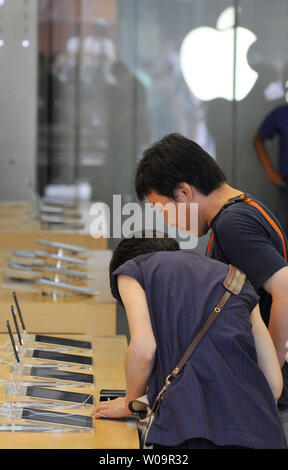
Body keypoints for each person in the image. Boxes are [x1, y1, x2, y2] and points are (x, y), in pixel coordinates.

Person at [133, 132, 288, 436]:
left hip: (267, 401)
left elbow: (285, 289)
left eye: (162, 208)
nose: (169, 221)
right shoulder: (244, 208)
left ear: (184, 192)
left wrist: (268, 379)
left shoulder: (233, 224)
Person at [92, 233, 286, 449]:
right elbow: (274, 386)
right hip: (263, 432)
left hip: (191, 432)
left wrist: (130, 402)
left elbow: (144, 350)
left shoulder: (132, 270)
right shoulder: (237, 279)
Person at [253, 104, 288, 235]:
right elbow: (257, 139)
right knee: (280, 236)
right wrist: (270, 170)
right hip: (286, 188)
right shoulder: (283, 113)